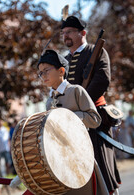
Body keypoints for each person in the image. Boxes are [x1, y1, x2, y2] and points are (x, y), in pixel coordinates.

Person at [61, 16, 121, 194]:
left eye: (70, 32)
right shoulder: (63, 61)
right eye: (63, 33)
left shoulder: (95, 51)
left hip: (95, 117)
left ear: (83, 33)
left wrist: (81, 106)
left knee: (102, 167)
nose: (66, 36)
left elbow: (102, 81)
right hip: (71, 121)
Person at [37, 49, 109, 195]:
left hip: (80, 156)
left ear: (61, 71)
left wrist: (68, 117)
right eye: (40, 73)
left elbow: (94, 119)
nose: (42, 75)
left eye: (46, 70)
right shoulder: (49, 101)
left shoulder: (76, 91)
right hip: (60, 161)